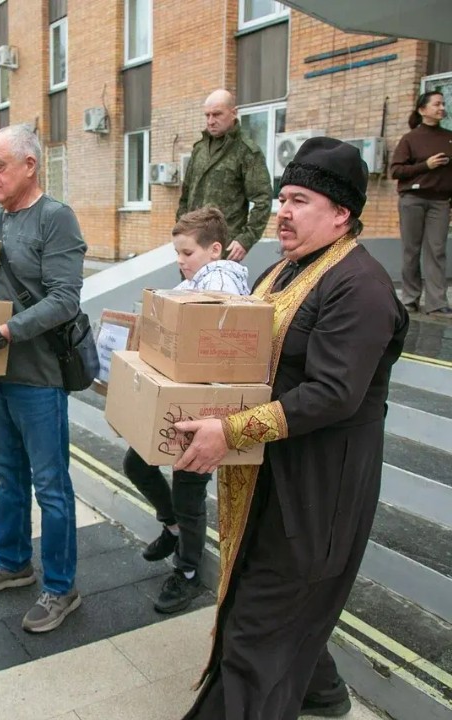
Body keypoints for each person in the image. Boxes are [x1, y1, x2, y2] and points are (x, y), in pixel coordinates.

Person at [173, 137, 409, 719]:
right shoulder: (282, 269)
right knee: (264, 600)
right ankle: (322, 692)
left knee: (256, 631)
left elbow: (333, 393)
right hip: (271, 473)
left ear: (341, 213)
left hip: (319, 489)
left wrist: (231, 431)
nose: (282, 211)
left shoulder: (361, 286)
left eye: (299, 201)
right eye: (282, 199)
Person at [0, 124, 87, 633]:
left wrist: (0, 335)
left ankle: (61, 587)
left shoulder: (56, 219)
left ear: (30, 165)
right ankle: (12, 563)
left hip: (39, 377)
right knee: (8, 475)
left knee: (50, 485)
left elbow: (65, 299)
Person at [123, 206, 249, 615]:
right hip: (184, 400)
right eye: (177, 253)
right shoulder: (197, 279)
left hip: (207, 406)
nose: (180, 260)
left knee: (188, 489)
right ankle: (173, 527)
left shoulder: (220, 280)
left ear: (215, 250)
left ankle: (189, 571)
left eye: (187, 252)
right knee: (137, 463)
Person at [177, 89, 273, 263]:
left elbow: (263, 200)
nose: (210, 121)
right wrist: (181, 231)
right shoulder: (199, 149)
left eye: (217, 114)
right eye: (207, 115)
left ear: (233, 113)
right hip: (193, 246)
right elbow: (185, 195)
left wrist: (246, 239)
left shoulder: (246, 151)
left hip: (223, 248)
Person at [390, 90, 452, 316]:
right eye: (437, 104)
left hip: (440, 201)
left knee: (437, 251)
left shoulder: (449, 137)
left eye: (443, 104)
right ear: (422, 109)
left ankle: (437, 303)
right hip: (413, 199)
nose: (442, 108)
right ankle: (410, 299)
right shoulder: (410, 138)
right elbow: (396, 170)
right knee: (411, 250)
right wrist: (427, 165)